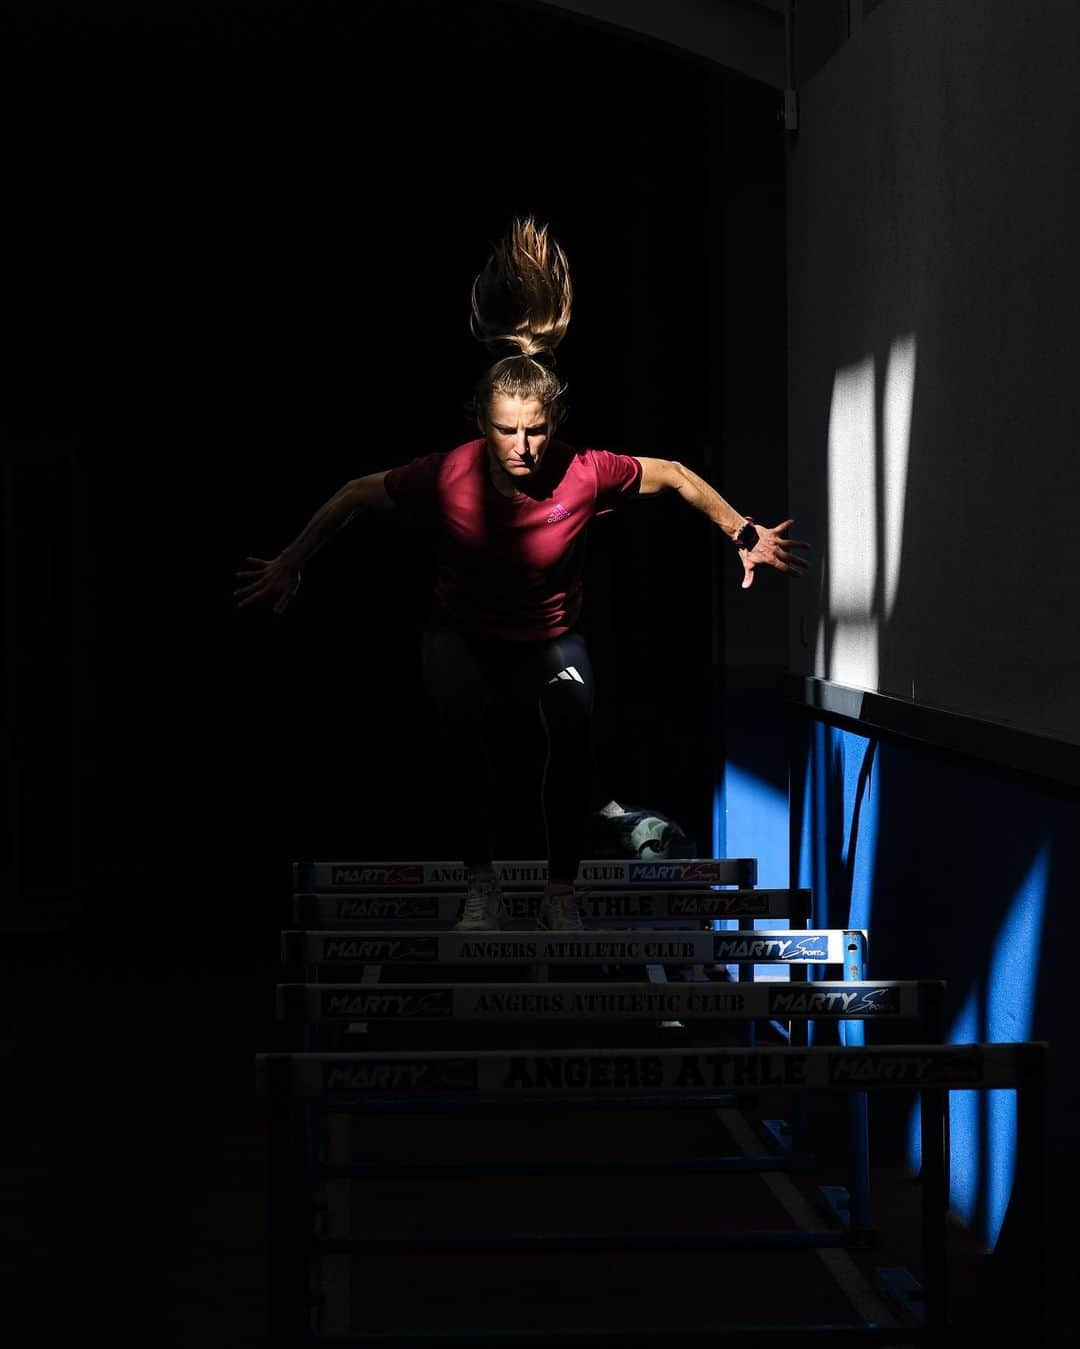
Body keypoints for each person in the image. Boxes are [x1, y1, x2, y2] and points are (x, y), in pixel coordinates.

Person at [234, 217, 809, 932]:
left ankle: (559, 896)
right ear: (484, 422)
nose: (525, 446)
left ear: (553, 419)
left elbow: (677, 476)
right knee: (461, 720)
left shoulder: (584, 470)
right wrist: (293, 560)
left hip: (548, 640)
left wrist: (743, 531)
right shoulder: (445, 475)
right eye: (508, 431)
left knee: (571, 723)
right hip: (464, 634)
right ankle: (482, 889)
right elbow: (356, 493)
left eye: (536, 429)